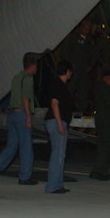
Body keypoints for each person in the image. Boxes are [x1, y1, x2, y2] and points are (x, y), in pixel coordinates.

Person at [0, 53, 38, 185]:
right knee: (26, 146)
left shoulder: (16, 78)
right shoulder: (28, 79)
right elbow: (26, 98)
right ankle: (25, 176)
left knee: (12, 146)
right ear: (33, 66)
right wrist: (29, 117)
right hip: (21, 114)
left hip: (12, 114)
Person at [44, 61, 74, 194]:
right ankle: (52, 186)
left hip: (58, 121)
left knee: (60, 154)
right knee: (58, 154)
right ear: (67, 71)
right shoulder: (57, 84)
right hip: (57, 121)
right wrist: (60, 123)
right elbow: (54, 103)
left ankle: (58, 184)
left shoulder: (60, 85)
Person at [58, 19, 98, 114]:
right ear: (80, 28)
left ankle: (82, 110)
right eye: (85, 28)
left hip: (84, 71)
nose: (86, 30)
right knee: (69, 90)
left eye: (88, 29)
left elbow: (94, 54)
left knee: (83, 91)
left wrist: (91, 65)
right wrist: (69, 64)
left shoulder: (90, 41)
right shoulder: (72, 38)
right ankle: (64, 109)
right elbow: (64, 51)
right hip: (73, 70)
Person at [90, 70, 110, 180]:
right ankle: (99, 171)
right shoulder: (104, 88)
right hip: (105, 121)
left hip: (104, 120)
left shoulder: (101, 88)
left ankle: (102, 170)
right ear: (107, 79)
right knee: (105, 146)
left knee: (105, 146)